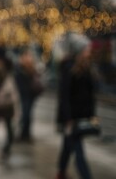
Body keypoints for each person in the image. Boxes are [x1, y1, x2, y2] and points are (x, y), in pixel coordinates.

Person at [56, 33, 96, 179]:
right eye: (86, 49)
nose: (89, 51)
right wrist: (67, 119)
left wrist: (91, 114)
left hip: (81, 116)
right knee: (78, 151)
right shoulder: (68, 68)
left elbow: (89, 94)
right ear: (79, 51)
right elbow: (64, 96)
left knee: (67, 146)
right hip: (72, 118)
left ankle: (60, 172)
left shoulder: (87, 67)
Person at [14, 47, 44, 142]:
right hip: (23, 94)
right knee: (25, 114)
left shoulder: (32, 67)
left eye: (29, 55)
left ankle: (25, 133)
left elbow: (35, 78)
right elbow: (17, 79)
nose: (28, 57)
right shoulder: (19, 66)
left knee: (28, 114)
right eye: (26, 55)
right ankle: (23, 133)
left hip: (31, 94)